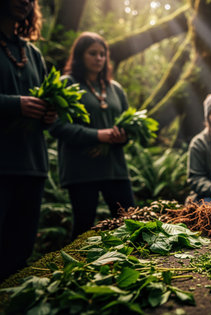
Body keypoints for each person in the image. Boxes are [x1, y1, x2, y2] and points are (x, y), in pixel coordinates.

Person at [50, 32, 134, 240]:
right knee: (84, 228)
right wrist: (99, 135)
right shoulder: (67, 84)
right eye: (92, 53)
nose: (99, 58)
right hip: (81, 170)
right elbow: (57, 126)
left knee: (131, 221)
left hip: (115, 168)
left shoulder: (116, 89)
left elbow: (130, 127)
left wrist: (121, 136)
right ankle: (78, 271)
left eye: (102, 54)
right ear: (80, 56)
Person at [0, 0, 57, 281]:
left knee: (19, 254)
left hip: (32, 166)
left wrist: (49, 115)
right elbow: (18, 105)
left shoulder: (32, 53)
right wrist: (14, 105)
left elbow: (48, 105)